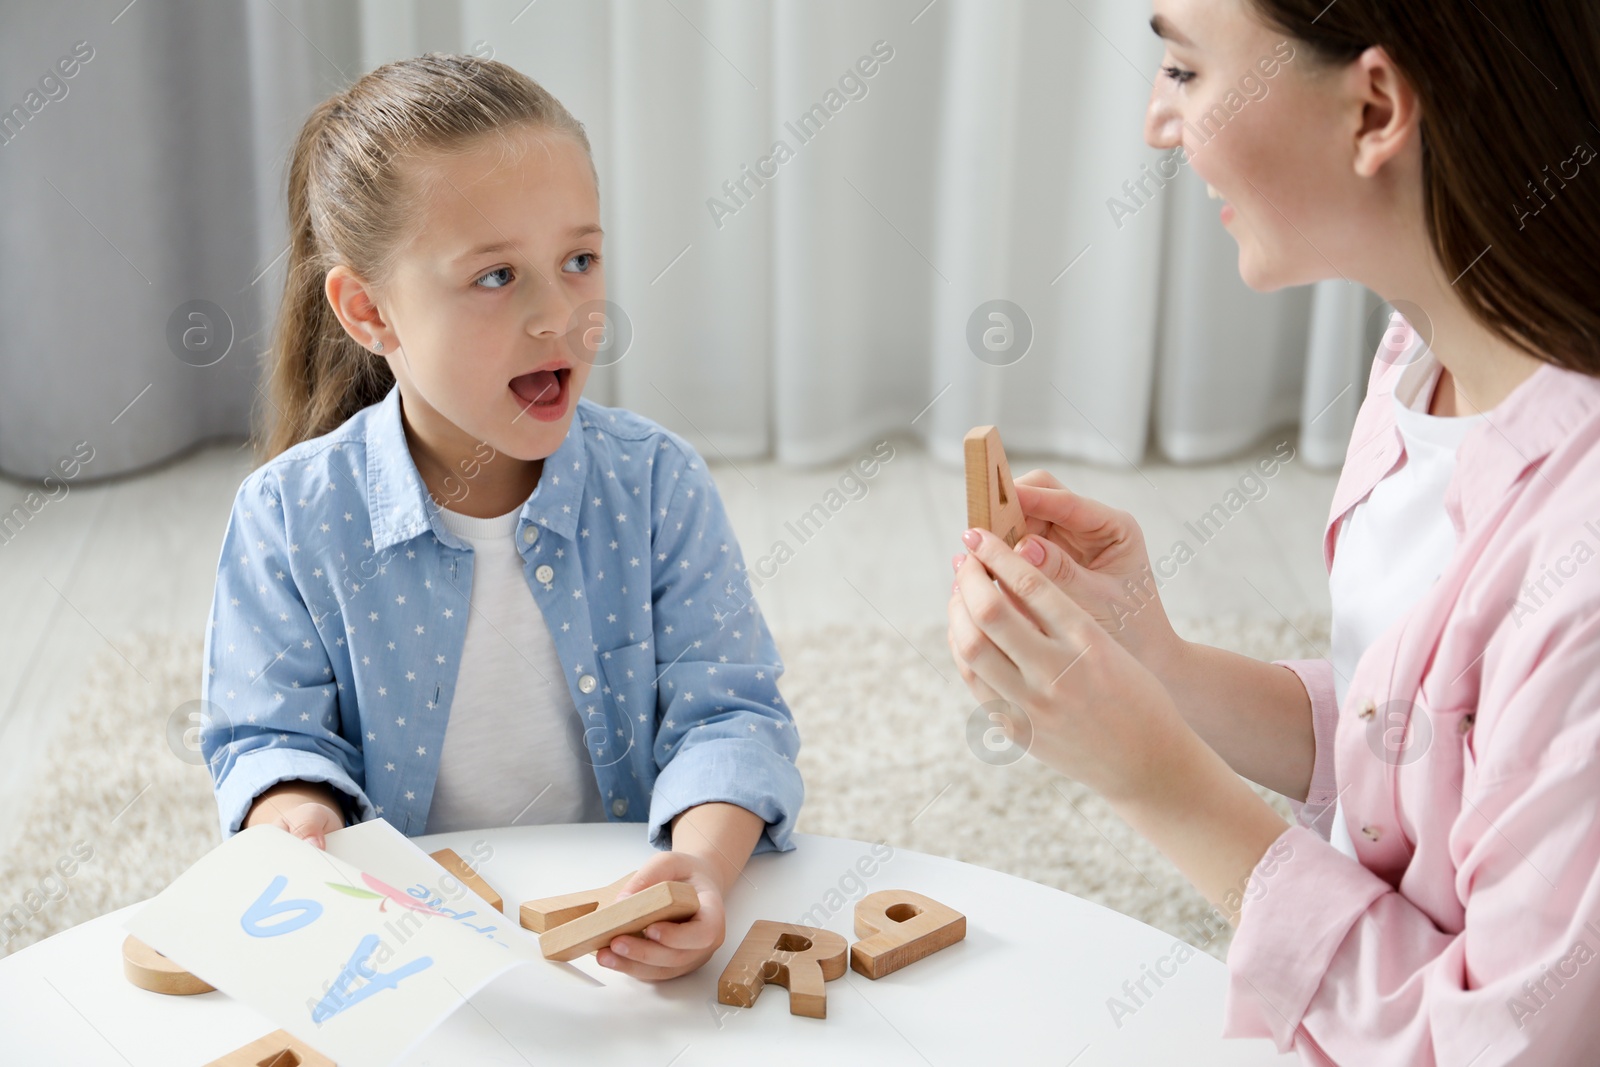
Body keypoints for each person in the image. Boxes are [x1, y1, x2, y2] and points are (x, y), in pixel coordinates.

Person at [948, 0, 1600, 1062]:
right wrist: (1157, 663)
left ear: (1375, 106)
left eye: (1186, 72)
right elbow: (1436, 735)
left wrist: (1157, 778)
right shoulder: (1421, 363)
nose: (1158, 124)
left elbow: (1501, 1043)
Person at [200, 53, 802, 982]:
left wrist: (700, 868)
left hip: (615, 949)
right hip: (409, 957)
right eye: (495, 277)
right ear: (369, 311)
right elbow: (268, 736)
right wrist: (296, 811)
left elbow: (729, 717)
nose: (558, 312)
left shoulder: (656, 484)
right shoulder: (289, 515)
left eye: (579, 260)